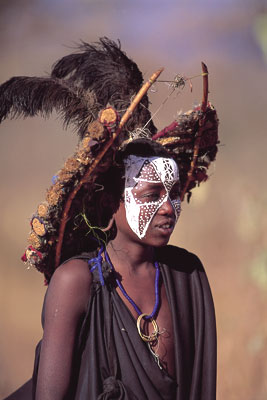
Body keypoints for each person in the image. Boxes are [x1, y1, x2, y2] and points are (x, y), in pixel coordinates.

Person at [1, 38, 218, 399]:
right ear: (108, 205)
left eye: (174, 194)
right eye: (151, 195)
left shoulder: (187, 275)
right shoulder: (75, 281)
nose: (168, 208)